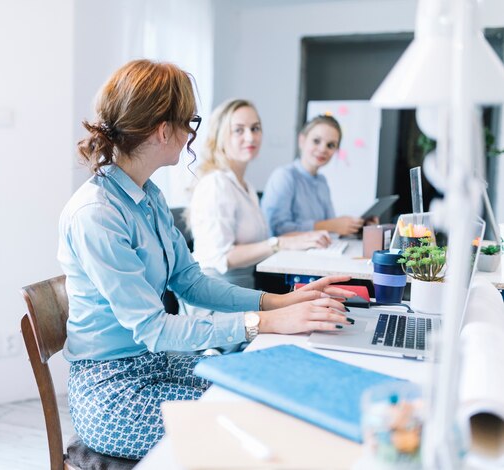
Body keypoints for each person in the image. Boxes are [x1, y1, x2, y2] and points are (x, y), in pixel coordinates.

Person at [58, 59, 354, 460]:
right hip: (113, 392)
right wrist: (265, 322)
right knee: (247, 435)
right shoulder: (97, 214)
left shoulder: (149, 197)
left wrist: (281, 303)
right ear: (164, 130)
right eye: (189, 123)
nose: (191, 135)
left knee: (264, 401)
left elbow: (192, 282)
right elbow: (153, 329)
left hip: (158, 364)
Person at [188, 98, 331, 290]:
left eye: (255, 128)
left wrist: (299, 242)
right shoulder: (215, 184)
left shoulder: (245, 186)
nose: (250, 137)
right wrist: (279, 243)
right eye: (239, 130)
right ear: (220, 136)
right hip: (214, 294)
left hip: (243, 288)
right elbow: (220, 257)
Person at [262, 115, 375, 237]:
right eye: (316, 141)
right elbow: (278, 229)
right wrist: (332, 225)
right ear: (302, 141)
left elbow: (332, 228)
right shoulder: (284, 176)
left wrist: (357, 227)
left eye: (331, 145)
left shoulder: (322, 182)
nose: (322, 149)